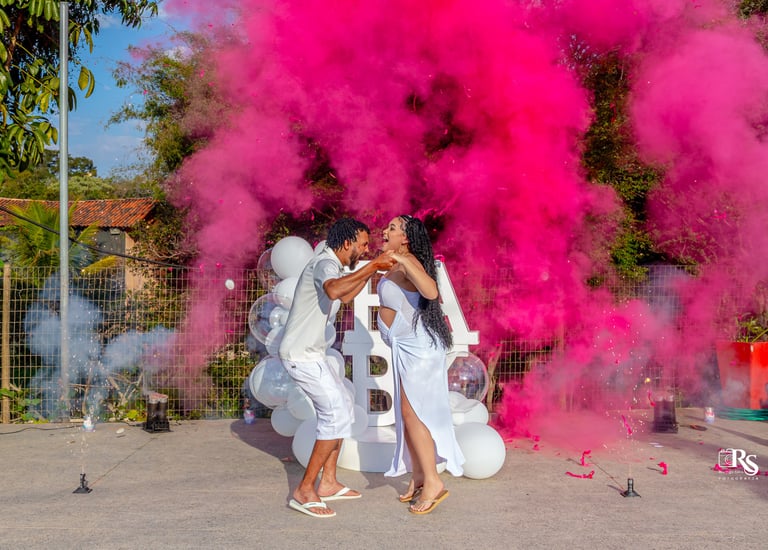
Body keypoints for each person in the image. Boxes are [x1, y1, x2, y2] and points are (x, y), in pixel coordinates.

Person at [279, 218, 396, 518]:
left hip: (312, 354)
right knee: (334, 414)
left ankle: (328, 483)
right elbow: (333, 290)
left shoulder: (332, 263)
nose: (366, 250)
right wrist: (373, 266)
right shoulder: (325, 263)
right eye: (363, 245)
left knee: (343, 405)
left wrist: (370, 271)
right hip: (301, 356)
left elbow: (346, 295)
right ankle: (305, 490)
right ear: (346, 244)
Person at [377, 214, 465, 515]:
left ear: (406, 238)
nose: (384, 231)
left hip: (420, 349)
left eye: (392, 228)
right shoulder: (395, 263)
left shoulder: (408, 261)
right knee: (407, 414)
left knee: (415, 415)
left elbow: (430, 292)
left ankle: (433, 482)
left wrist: (403, 259)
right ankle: (418, 476)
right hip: (406, 347)